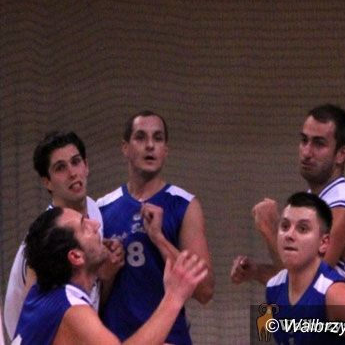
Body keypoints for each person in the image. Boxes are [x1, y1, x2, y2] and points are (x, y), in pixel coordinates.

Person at [231, 105, 345, 315]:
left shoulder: (342, 209)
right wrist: (257, 271)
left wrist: (271, 229)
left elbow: (304, 287)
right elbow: (298, 278)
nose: (306, 152)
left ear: (341, 154)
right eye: (304, 140)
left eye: (318, 144)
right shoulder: (317, 202)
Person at [97, 110, 214, 344]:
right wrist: (107, 273)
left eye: (158, 138)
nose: (150, 145)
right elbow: (90, 296)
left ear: (165, 150)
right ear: (125, 148)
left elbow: (205, 291)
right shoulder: (101, 208)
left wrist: (159, 239)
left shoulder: (184, 204)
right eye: (140, 137)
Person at [12, 206, 207, 345]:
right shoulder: (71, 309)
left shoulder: (40, 293)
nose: (96, 224)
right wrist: (174, 296)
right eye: (84, 226)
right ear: (76, 256)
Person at [4, 131, 123, 339]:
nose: (72, 173)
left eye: (75, 162)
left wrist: (107, 274)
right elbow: (34, 317)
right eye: (60, 168)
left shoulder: (94, 212)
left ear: (86, 166)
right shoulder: (46, 238)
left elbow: (89, 296)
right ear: (47, 182)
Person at [262, 192, 345, 344]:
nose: (289, 235)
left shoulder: (337, 296)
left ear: (323, 243)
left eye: (302, 229)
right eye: (285, 226)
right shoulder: (273, 288)